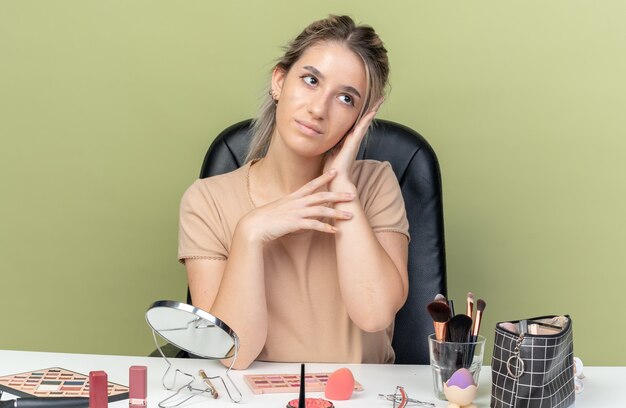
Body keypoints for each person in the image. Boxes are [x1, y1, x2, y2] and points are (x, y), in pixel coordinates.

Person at [178, 15, 409, 369]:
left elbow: (375, 314)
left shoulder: (376, 184)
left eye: (346, 98)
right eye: (311, 80)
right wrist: (250, 233)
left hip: (363, 396)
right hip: (253, 396)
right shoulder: (206, 201)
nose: (318, 109)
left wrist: (342, 185)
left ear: (360, 120)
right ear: (279, 81)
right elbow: (230, 355)